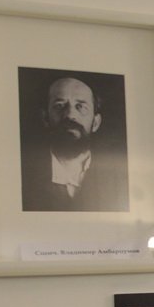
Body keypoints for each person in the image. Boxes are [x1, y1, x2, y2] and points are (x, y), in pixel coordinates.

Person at [21, 74, 128, 211]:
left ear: (95, 123)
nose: (70, 115)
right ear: (45, 118)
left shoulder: (121, 179)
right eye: (59, 106)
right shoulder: (22, 176)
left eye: (81, 107)